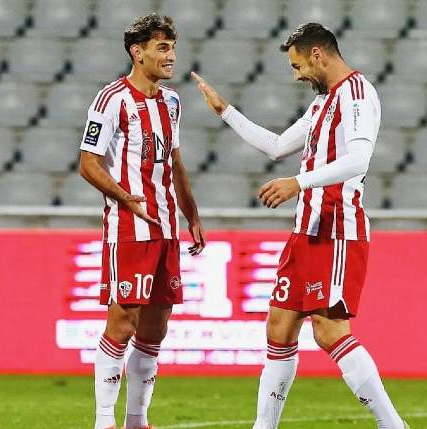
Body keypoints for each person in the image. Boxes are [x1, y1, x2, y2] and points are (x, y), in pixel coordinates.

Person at [191, 23, 409, 429]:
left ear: (317, 54)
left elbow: (359, 159)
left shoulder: (358, 95)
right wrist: (226, 111)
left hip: (337, 229)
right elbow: (277, 147)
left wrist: (299, 182)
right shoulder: (321, 104)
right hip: (306, 230)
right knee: (279, 325)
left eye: (297, 66)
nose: (296, 76)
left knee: (328, 331)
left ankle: (392, 425)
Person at [79, 14, 205, 429]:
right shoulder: (112, 99)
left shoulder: (171, 102)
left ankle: (137, 419)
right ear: (138, 52)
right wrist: (124, 198)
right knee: (123, 321)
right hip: (129, 229)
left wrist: (192, 215)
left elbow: (176, 162)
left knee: (155, 330)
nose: (171, 55)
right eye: (162, 47)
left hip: (167, 228)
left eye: (173, 46)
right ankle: (103, 420)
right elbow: (88, 164)